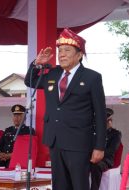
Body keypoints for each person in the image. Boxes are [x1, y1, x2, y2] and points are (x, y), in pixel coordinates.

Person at [24, 28, 106, 190]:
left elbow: (100, 114)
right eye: (60, 51)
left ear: (79, 54)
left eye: (67, 50)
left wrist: (99, 146)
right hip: (55, 140)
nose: (62, 54)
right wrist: (36, 63)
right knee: (59, 185)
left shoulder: (92, 77)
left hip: (79, 142)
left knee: (79, 185)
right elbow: (30, 82)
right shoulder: (52, 74)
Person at [0, 104, 35, 170]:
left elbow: (26, 150)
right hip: (2, 159)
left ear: (24, 118)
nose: (16, 118)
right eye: (15, 115)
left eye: (19, 115)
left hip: (15, 159)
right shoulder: (8, 130)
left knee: (9, 168)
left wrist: (9, 156)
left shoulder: (28, 130)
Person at [90, 108, 122, 190]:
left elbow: (112, 150)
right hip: (91, 158)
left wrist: (96, 156)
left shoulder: (115, 134)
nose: (110, 122)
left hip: (105, 160)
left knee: (95, 166)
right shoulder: (92, 132)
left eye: (110, 120)